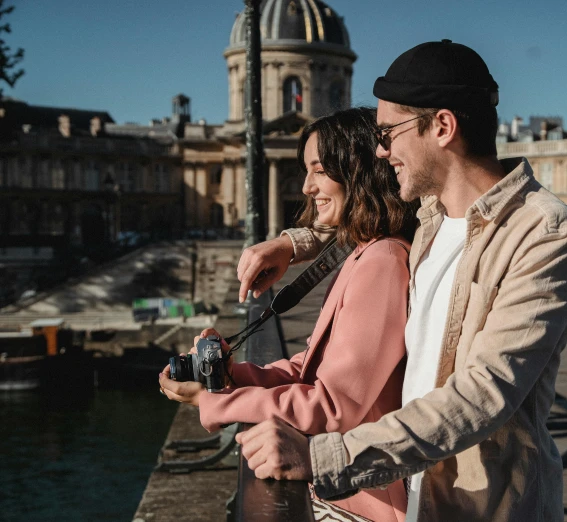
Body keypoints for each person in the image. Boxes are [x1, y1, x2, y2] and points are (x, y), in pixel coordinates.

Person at [234, 40, 567, 522]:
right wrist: (293, 243)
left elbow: (483, 393)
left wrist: (323, 456)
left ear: (442, 126)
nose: (381, 150)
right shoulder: (430, 216)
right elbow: (359, 211)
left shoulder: (545, 231)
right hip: (417, 496)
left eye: (389, 132)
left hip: (486, 504)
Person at [159, 107, 417, 522]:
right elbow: (316, 364)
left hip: (363, 505)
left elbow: (334, 406)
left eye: (318, 170)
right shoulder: (366, 251)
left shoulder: (382, 260)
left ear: (356, 169)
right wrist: (235, 375)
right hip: (354, 495)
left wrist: (215, 403)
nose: (306, 186)